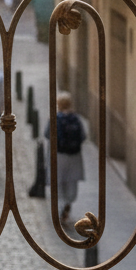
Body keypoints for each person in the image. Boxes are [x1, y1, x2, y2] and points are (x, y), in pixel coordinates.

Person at [46, 91, 87, 225]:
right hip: (74, 156)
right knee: (71, 182)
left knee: (58, 181)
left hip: (58, 155)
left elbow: (47, 134)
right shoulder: (76, 118)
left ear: (58, 104)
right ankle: (68, 204)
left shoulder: (55, 118)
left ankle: (61, 205)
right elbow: (83, 136)